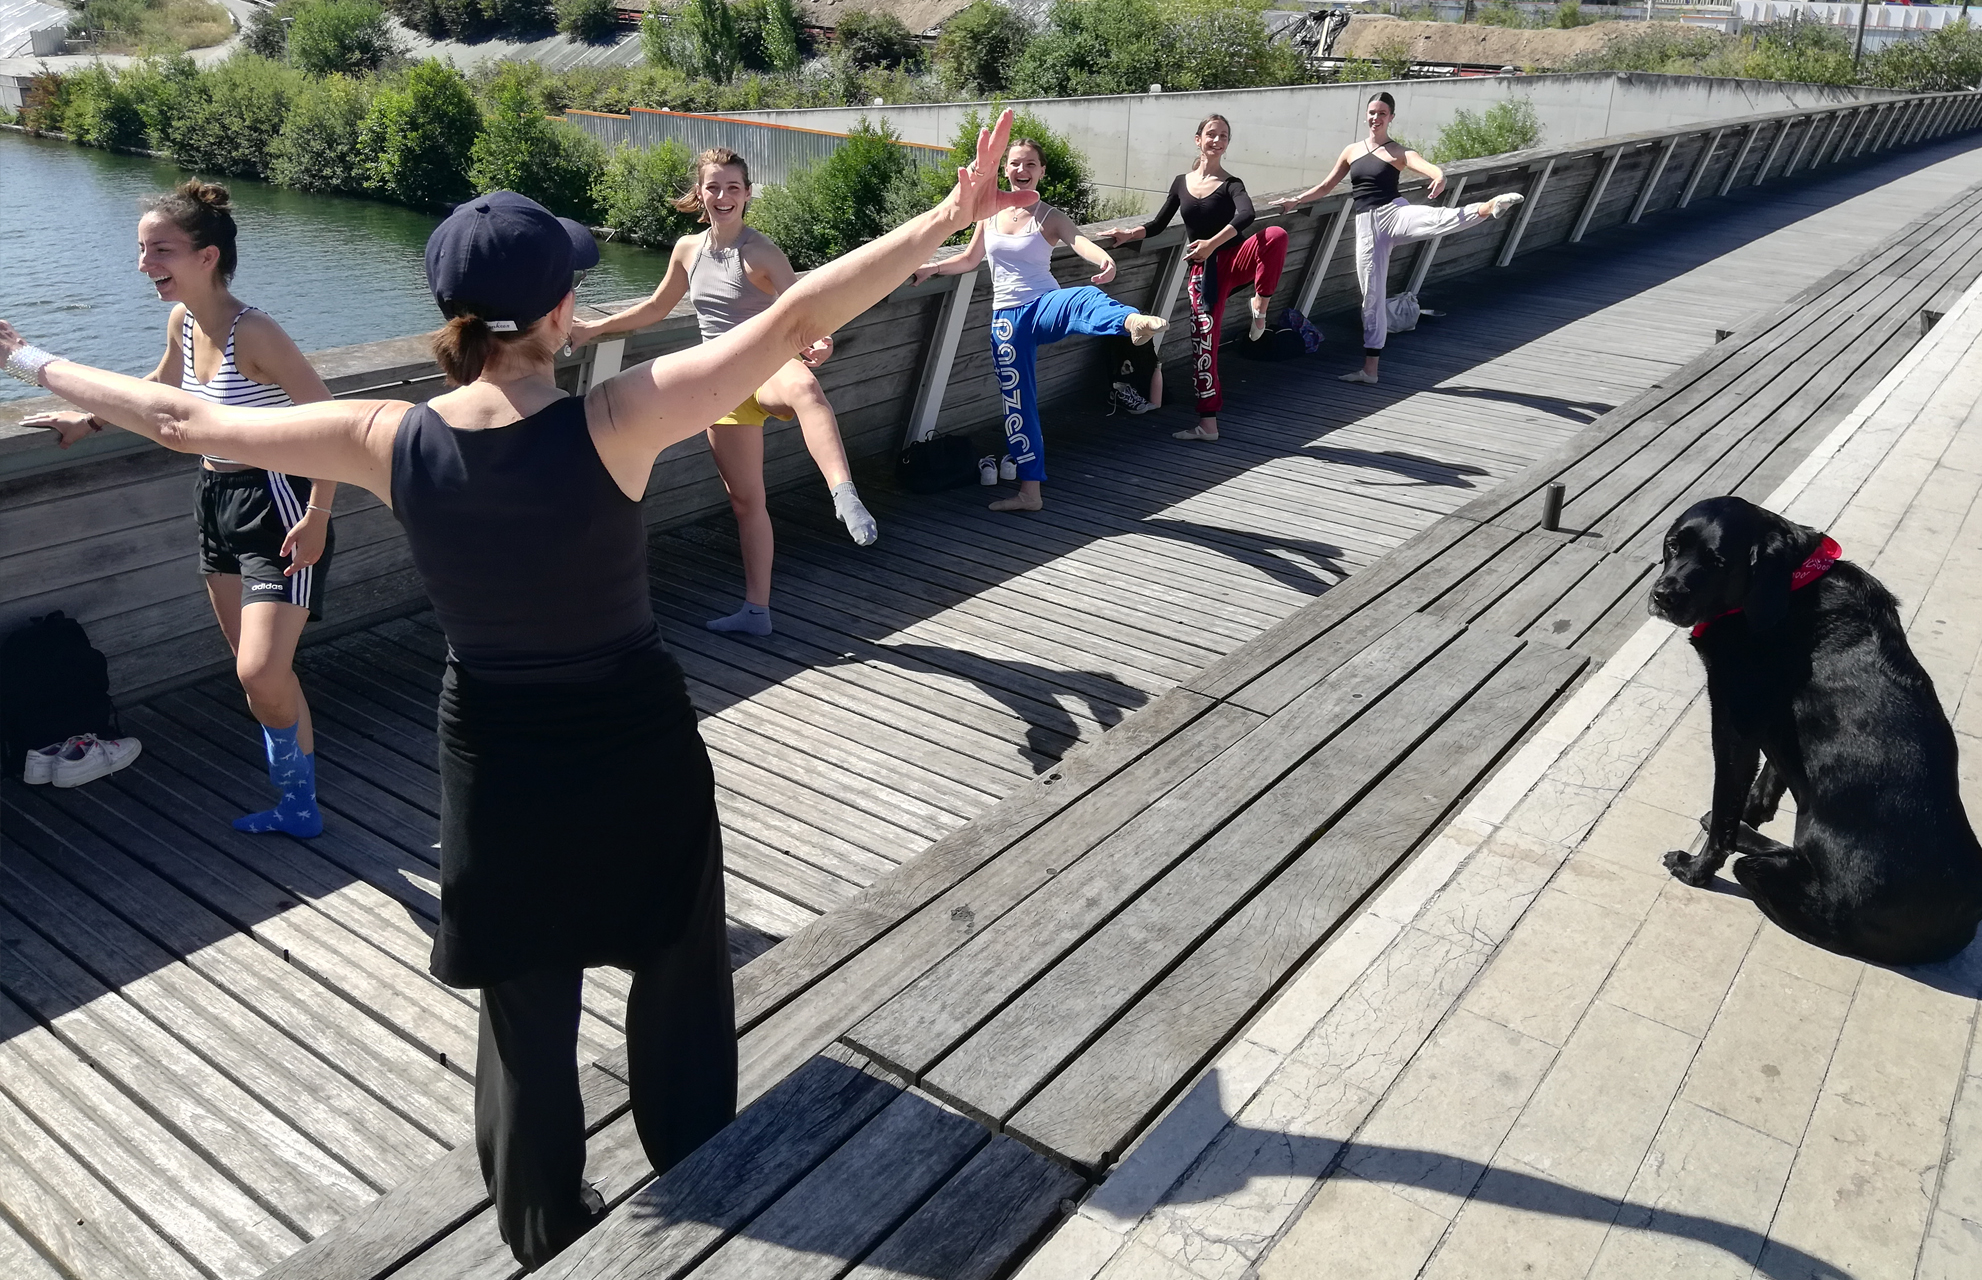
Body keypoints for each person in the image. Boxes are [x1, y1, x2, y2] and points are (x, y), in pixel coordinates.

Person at [0, 109, 1034, 1271]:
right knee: (677, 970)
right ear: (558, 316)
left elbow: (185, 418)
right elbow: (795, 319)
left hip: (491, 746)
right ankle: (705, 1171)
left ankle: (543, 1229)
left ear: (453, 316)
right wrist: (947, 219)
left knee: (522, 997)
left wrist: (27, 357)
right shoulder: (619, 416)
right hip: (633, 733)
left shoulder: (390, 438)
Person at [23, 180, 335, 837]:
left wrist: (319, 513)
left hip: (279, 503)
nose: (144, 265)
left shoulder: (259, 333)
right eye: (142, 250)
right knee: (259, 682)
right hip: (215, 498)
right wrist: (87, 418)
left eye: (160, 250)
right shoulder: (183, 322)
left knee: (261, 670)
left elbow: (330, 422)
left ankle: (300, 803)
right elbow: (159, 389)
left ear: (207, 257)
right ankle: (297, 806)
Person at [569, 147, 877, 639]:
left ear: (748, 193)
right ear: (700, 193)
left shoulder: (761, 252)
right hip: (718, 383)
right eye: (713, 186)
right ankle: (757, 611)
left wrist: (822, 339)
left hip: (766, 366)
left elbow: (807, 308)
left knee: (806, 388)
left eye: (733, 187)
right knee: (745, 503)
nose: (723, 196)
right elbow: (653, 307)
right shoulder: (687, 250)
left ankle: (844, 494)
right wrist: (594, 329)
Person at [911, 137, 1166, 513]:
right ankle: (1029, 494)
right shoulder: (989, 215)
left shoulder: (1049, 216)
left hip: (1043, 303)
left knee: (1083, 298)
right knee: (1018, 404)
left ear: (1042, 171)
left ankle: (1130, 321)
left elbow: (1080, 241)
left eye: (1030, 164)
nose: (1022, 171)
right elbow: (968, 260)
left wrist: (1104, 261)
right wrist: (932, 267)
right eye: (1015, 164)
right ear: (1006, 169)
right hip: (1006, 320)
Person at [1275, 91, 1522, 386]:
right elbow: (1327, 185)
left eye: (1382, 113)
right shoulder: (1351, 151)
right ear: (1366, 116)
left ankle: (1487, 207)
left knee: (1436, 219)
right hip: (1367, 226)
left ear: (1391, 118)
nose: (1375, 118)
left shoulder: (1398, 151)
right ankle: (1370, 370)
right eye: (1372, 112)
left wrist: (1439, 176)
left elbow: (1427, 166)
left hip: (1394, 212)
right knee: (1372, 297)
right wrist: (1296, 200)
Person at [1101, 114, 1288, 442]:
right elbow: (1159, 224)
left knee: (1274, 235)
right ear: (1198, 139)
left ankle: (1261, 303)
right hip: (1204, 273)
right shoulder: (1181, 182)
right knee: (1205, 345)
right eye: (1211, 134)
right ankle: (1207, 424)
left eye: (1224, 136)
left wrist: (1210, 244)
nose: (1217, 140)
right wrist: (1128, 234)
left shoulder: (1232, 184)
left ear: (1227, 144)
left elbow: (1248, 215)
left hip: (1232, 258)